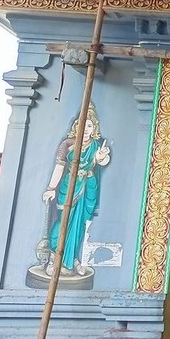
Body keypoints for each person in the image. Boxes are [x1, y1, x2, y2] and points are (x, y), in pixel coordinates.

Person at [41, 104, 111, 276]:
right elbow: (59, 167)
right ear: (75, 126)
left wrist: (101, 157)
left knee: (79, 225)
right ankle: (53, 258)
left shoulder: (96, 145)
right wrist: (51, 188)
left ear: (94, 128)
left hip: (87, 186)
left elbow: (102, 160)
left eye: (89, 125)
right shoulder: (68, 144)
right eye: (82, 124)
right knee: (62, 222)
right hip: (68, 186)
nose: (85, 129)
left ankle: (72, 259)